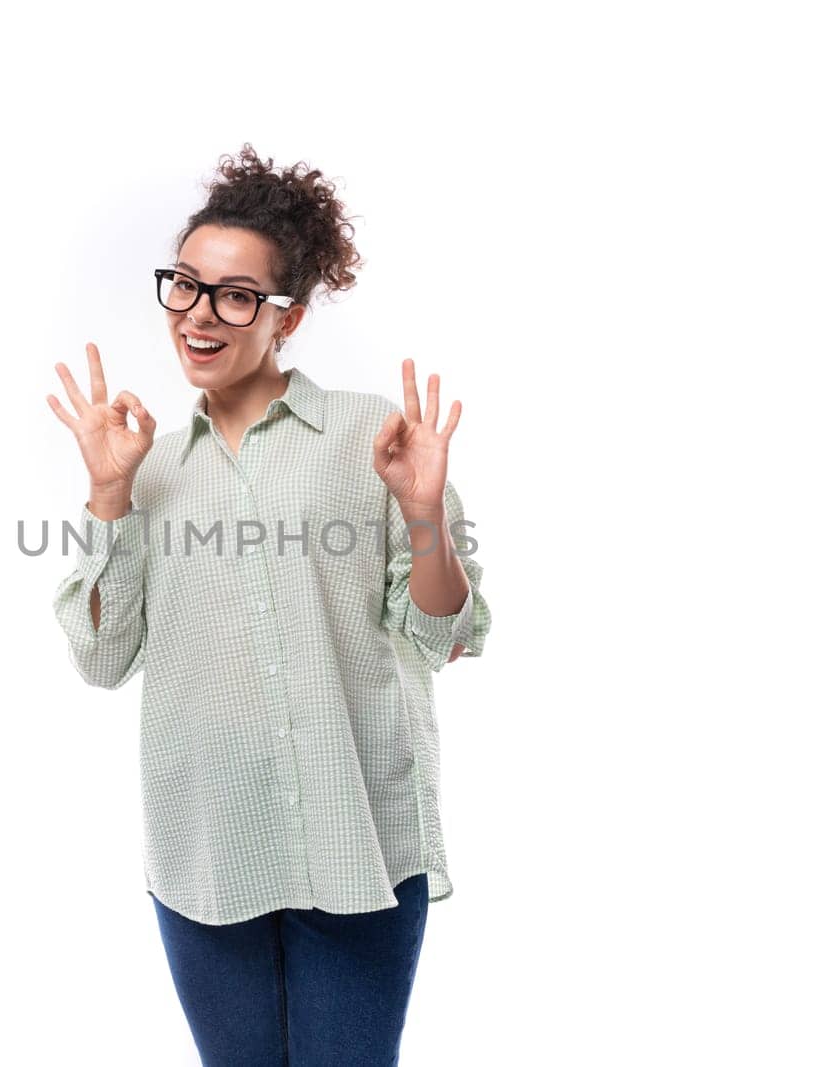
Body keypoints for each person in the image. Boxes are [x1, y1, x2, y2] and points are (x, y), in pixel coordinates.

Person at [46, 144, 493, 1065]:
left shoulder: (376, 437)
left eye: (236, 294)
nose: (201, 316)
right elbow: (100, 660)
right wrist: (106, 498)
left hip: (359, 842)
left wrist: (420, 512)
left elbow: (442, 629)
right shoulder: (152, 469)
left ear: (286, 316)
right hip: (208, 851)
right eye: (186, 286)